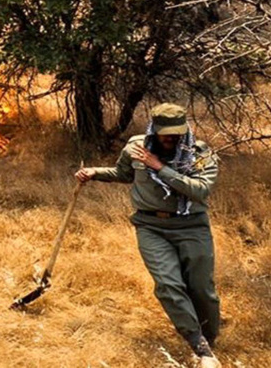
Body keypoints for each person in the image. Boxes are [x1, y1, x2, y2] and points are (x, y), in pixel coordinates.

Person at [75, 103, 221, 368]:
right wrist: (95, 173)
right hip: (151, 226)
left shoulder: (199, 153)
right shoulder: (135, 148)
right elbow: (124, 173)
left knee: (201, 289)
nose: (171, 138)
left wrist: (160, 168)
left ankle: (210, 338)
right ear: (154, 129)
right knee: (168, 285)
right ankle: (200, 348)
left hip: (191, 226)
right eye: (166, 133)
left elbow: (200, 190)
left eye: (177, 133)